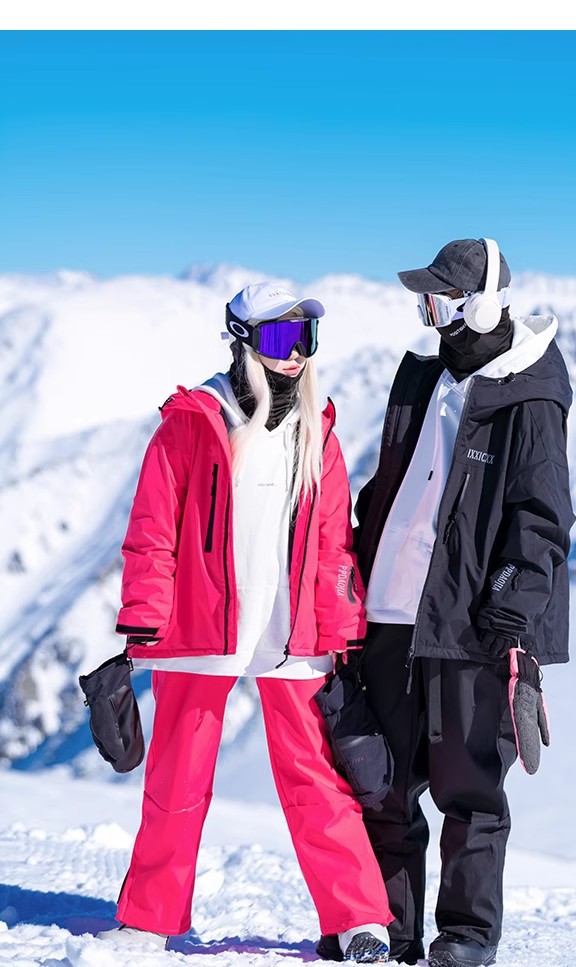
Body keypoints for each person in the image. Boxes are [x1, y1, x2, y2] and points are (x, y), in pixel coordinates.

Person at [97, 281, 393, 962]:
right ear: (242, 341)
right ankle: (148, 918)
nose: (296, 354)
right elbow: (152, 529)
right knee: (177, 777)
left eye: (305, 338)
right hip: (200, 629)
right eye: (281, 338)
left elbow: (333, 545)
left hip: (291, 632)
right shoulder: (193, 421)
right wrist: (146, 618)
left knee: (316, 776)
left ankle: (359, 920)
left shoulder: (317, 430)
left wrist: (340, 628)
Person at [351, 238, 575, 967]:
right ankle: (390, 931)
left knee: (469, 790)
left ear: (483, 304)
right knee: (382, 786)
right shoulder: (422, 377)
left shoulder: (529, 393)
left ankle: (467, 936)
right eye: (425, 302)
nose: (430, 314)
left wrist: (509, 616)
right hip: (390, 612)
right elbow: (392, 485)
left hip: (469, 625)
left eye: (441, 301)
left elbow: (542, 519)